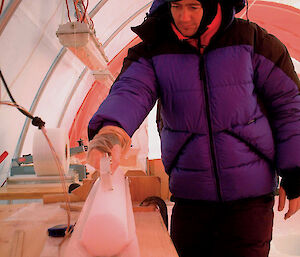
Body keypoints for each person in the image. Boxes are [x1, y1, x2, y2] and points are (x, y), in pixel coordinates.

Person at [87, 0, 300, 256]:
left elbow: (289, 107)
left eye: (193, 7)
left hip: (250, 200)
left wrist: (295, 170)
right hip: (190, 197)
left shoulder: (253, 42)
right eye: (176, 5)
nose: (183, 17)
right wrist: (113, 130)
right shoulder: (156, 49)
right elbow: (131, 90)